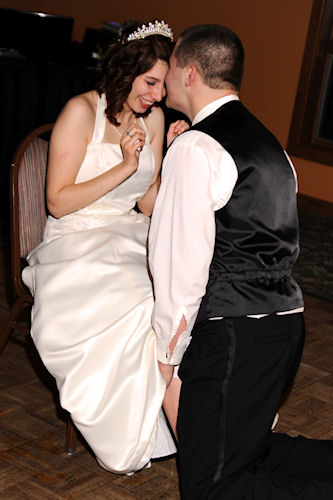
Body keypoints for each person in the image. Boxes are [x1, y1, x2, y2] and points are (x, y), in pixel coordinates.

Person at [149, 24, 333, 499]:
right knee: (253, 452)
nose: (164, 79)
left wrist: (167, 357)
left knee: (216, 488)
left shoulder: (196, 147)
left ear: (189, 73)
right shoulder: (271, 145)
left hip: (235, 332)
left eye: (169, 69)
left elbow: (181, 265)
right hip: (285, 324)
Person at [22, 19, 188, 475]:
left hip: (130, 231)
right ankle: (138, 428)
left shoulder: (153, 118)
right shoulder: (81, 111)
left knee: (180, 295)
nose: (157, 95)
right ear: (125, 69)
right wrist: (125, 165)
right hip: (76, 241)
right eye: (150, 82)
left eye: (163, 85)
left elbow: (148, 203)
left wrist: (171, 165)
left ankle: (189, 423)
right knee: (139, 301)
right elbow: (57, 201)